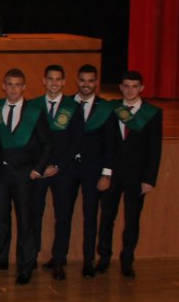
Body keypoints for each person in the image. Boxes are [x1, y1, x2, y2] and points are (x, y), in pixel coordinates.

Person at [95, 70, 163, 279]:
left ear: (141, 88)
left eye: (134, 86)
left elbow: (155, 149)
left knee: (132, 220)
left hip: (137, 176)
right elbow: (106, 144)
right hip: (112, 174)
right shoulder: (111, 109)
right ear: (120, 88)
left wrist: (149, 179)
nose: (130, 90)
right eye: (126, 86)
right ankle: (104, 257)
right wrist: (106, 173)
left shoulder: (153, 113)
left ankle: (127, 260)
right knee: (107, 218)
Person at [0, 68, 52, 285]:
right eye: (9, 84)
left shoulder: (35, 111)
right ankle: (0, 259)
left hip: (25, 174)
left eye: (18, 85)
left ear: (24, 87)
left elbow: (47, 144)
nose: (13, 89)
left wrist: (38, 168)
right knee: (1, 219)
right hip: (1, 174)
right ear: (3, 86)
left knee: (26, 222)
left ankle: (25, 267)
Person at [30, 65, 85, 280]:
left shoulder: (73, 107)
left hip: (63, 171)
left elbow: (76, 142)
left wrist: (58, 165)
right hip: (39, 169)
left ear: (63, 82)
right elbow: (31, 140)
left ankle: (59, 258)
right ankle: (31, 255)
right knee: (35, 213)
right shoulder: (33, 105)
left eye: (58, 79)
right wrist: (40, 166)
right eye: (50, 79)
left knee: (63, 216)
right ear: (44, 81)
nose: (54, 83)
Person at [70, 65, 112, 278]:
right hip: (68, 169)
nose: (86, 84)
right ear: (77, 81)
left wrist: (106, 174)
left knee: (90, 216)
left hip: (93, 170)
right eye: (83, 80)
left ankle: (88, 260)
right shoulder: (67, 104)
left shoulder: (105, 108)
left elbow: (111, 144)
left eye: (90, 81)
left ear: (96, 83)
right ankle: (59, 257)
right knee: (63, 215)